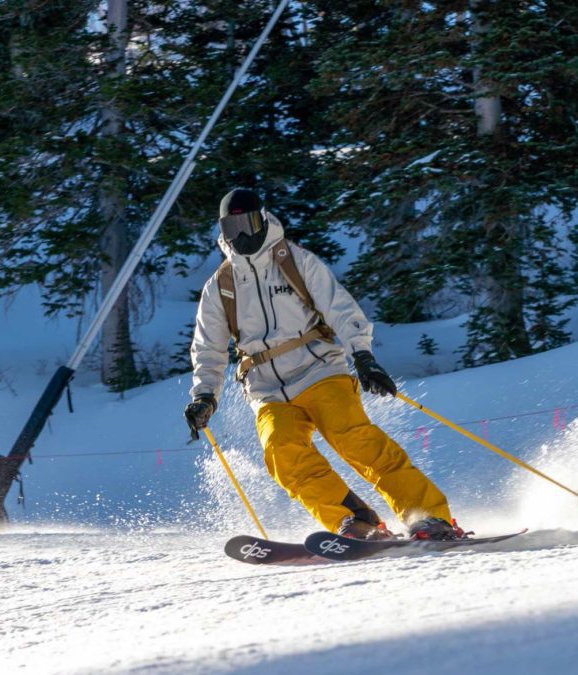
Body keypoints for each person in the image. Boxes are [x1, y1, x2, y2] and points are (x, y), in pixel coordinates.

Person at [184, 188, 465, 541]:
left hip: (319, 370)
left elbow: (340, 308)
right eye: (231, 227)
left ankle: (428, 516)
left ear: (263, 219)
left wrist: (362, 356)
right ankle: (354, 521)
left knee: (356, 441)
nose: (241, 235)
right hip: (267, 389)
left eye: (248, 223)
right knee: (282, 455)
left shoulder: (295, 261)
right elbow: (208, 347)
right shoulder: (221, 286)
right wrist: (204, 396)